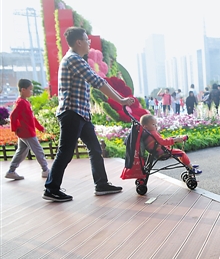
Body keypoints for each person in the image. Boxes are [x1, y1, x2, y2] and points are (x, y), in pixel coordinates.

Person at [44, 27, 134, 202]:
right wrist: (121, 100)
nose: (89, 43)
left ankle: (101, 184)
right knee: (66, 151)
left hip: (81, 114)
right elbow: (97, 82)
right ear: (79, 42)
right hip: (72, 113)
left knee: (95, 148)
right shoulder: (74, 60)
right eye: (87, 40)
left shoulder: (76, 59)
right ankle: (51, 188)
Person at [5, 78, 50, 180]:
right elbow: (13, 116)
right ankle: (45, 170)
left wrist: (40, 127)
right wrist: (15, 129)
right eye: (30, 89)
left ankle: (11, 171)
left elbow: (32, 118)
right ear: (23, 90)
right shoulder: (21, 102)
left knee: (21, 151)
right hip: (26, 132)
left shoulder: (25, 102)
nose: (31, 91)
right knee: (38, 150)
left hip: (26, 131)